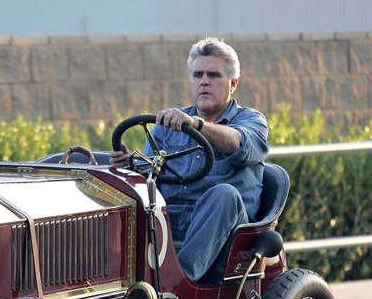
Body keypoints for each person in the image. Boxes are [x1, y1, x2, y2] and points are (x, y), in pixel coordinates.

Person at [110, 37, 269, 281]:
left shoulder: (251, 120)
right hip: (167, 223)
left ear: (233, 83)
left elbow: (238, 143)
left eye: (213, 75)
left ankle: (178, 283)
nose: (204, 82)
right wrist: (130, 165)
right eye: (197, 75)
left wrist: (196, 125)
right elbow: (148, 174)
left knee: (224, 194)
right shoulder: (167, 124)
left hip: (225, 232)